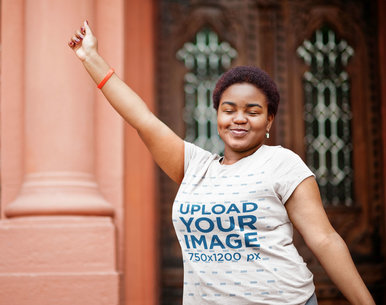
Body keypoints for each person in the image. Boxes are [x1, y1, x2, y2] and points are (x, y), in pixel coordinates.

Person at [68, 21, 376, 305]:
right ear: (217, 116)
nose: (239, 118)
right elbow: (142, 119)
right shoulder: (194, 166)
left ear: (269, 120)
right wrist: (90, 58)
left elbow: (324, 239)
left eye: (252, 111)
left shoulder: (282, 163)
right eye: (229, 110)